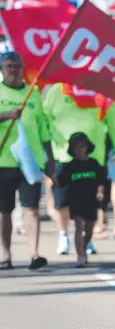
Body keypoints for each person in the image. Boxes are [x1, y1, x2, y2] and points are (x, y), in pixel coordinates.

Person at [43, 83, 115, 254]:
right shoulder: (56, 91)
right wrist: (51, 142)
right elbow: (45, 120)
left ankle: (86, 238)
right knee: (63, 201)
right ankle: (64, 234)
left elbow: (114, 124)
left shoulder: (102, 90)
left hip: (93, 158)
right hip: (64, 156)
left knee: (89, 202)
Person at [0, 51, 55, 270]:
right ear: (2, 68)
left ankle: (34, 253)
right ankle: (5, 254)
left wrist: (49, 159)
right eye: (8, 65)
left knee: (31, 208)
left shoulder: (32, 94)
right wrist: (7, 115)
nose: (12, 69)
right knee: (4, 211)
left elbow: (43, 129)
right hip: (4, 161)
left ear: (22, 68)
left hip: (30, 163)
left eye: (16, 65)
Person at [57, 132, 104, 268]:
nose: (80, 150)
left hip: (91, 200)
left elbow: (101, 180)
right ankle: (80, 255)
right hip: (76, 200)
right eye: (77, 147)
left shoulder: (94, 164)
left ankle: (84, 246)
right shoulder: (69, 166)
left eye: (82, 147)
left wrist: (100, 192)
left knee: (89, 229)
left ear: (87, 147)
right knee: (79, 225)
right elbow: (60, 182)